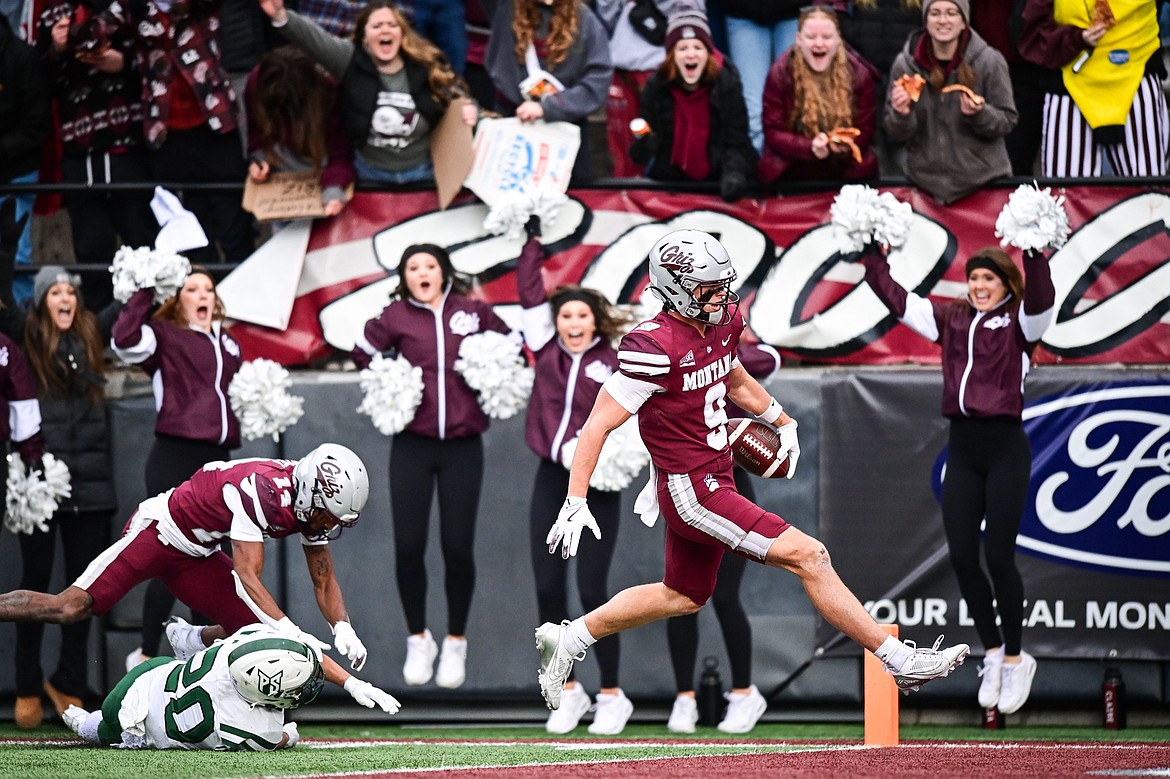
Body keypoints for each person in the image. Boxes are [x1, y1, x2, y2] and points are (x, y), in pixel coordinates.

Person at [533, 229, 971, 715]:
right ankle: (897, 658)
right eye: (707, 287)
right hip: (691, 489)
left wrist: (780, 418)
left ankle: (569, 638)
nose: (720, 295)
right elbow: (597, 426)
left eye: (723, 283)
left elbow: (733, 372)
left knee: (682, 595)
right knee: (810, 555)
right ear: (674, 288)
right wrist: (576, 500)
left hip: (716, 471)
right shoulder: (652, 346)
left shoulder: (720, 322)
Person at [0, 444, 400, 714]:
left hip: (197, 555)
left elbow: (323, 580)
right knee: (70, 607)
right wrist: (295, 632)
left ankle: (192, 640)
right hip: (159, 532)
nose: (328, 524)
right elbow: (246, 576)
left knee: (257, 633)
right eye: (328, 514)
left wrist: (342, 627)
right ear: (312, 491)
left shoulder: (307, 505)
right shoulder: (261, 489)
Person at [856, 239, 1053, 716]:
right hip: (962, 448)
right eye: (974, 278)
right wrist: (871, 255)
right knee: (964, 557)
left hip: (1006, 447)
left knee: (999, 556)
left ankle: (1014, 656)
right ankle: (990, 653)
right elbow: (897, 300)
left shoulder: (1023, 323)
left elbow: (1043, 297)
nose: (979, 286)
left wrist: (1035, 255)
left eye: (989, 279)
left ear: (1006, 284)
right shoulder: (951, 318)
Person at [352, 243, 518, 689]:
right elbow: (361, 351)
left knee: (457, 547)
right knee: (408, 546)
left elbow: (513, 343)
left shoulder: (472, 312)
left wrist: (490, 370)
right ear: (404, 276)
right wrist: (390, 379)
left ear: (444, 271)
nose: (422, 272)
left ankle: (456, 641)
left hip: (463, 446)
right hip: (412, 444)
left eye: (430, 265)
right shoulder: (394, 317)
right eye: (412, 267)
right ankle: (417, 637)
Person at [516, 219, 634, 734]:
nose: (572, 324)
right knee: (548, 587)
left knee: (592, 589)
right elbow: (526, 295)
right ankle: (569, 691)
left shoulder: (616, 361)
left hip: (595, 483)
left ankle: (612, 693)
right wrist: (530, 243)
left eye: (582, 315)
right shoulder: (545, 353)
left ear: (596, 321)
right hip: (549, 476)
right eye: (565, 315)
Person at [112, 270, 243, 670]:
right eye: (192, 289)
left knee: (217, 560)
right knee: (168, 553)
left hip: (219, 460)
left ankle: (211, 662)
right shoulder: (163, 335)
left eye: (208, 288)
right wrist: (146, 288)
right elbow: (124, 339)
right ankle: (146, 654)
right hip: (175, 455)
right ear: (177, 298)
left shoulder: (230, 342)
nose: (202, 294)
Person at [8, 268, 117, 728]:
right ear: (42, 302)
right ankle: (27, 684)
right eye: (55, 291)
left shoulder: (91, 336)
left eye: (71, 290)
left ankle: (68, 681)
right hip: (41, 484)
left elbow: (129, 310)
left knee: (84, 589)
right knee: (33, 582)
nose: (66, 297)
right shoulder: (28, 340)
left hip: (90, 486)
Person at [665, 342, 779, 735]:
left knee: (727, 594)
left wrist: (725, 349)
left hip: (730, 480)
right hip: (685, 482)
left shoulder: (725, 349)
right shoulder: (665, 353)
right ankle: (684, 697)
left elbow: (769, 359)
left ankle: (744, 692)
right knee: (679, 594)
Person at [260, 0, 477, 185]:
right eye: (377, 26)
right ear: (364, 37)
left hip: (423, 176)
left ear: (402, 34)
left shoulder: (426, 64)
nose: (385, 30)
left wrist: (471, 111)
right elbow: (314, 40)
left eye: (392, 25)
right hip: (370, 178)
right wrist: (281, 15)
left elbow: (463, 100)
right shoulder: (349, 60)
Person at [36, 2, 158, 310]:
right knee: (92, 252)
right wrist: (56, 48)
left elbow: (162, 60)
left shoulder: (135, 7)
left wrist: (125, 61)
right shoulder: (55, 13)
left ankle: (151, 334)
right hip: (80, 154)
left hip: (128, 149)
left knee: (143, 247)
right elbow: (37, 82)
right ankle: (100, 340)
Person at [126, 0, 257, 265]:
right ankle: (199, 297)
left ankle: (241, 302)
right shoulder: (136, 10)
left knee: (235, 230)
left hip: (215, 124)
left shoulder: (199, 8)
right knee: (191, 235)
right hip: (166, 130)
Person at [62, 624, 321, 750]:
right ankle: (89, 726)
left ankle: (189, 637)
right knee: (107, 725)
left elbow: (230, 632)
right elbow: (278, 740)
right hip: (147, 723)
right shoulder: (252, 729)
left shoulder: (239, 644)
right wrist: (290, 736)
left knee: (111, 711)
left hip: (159, 672)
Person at [883, 0, 1018, 204]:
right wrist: (901, 115)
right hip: (924, 188)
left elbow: (1007, 120)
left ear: (964, 21)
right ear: (925, 21)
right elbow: (895, 133)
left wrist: (980, 114)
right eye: (935, 13)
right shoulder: (905, 65)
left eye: (951, 13)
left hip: (982, 185)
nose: (943, 21)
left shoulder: (989, 61)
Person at [1019, 0, 1168, 178]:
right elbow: (1031, 31)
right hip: (1071, 81)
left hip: (1137, 72)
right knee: (1066, 191)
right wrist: (1075, 38)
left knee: (1146, 188)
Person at [629, 4, 757, 201]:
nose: (691, 54)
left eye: (698, 47)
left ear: (708, 53)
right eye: (682, 48)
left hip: (718, 180)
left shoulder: (727, 83)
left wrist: (734, 175)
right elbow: (640, 153)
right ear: (672, 55)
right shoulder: (657, 85)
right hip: (671, 179)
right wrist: (646, 142)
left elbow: (737, 140)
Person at [481, 0, 613, 181]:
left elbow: (598, 79)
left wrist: (550, 107)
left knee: (569, 201)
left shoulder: (584, 18)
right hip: (512, 123)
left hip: (564, 130)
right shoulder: (505, 8)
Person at [758, 5, 880, 184]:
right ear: (798, 39)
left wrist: (845, 145)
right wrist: (809, 147)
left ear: (838, 39)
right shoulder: (780, 73)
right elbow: (773, 132)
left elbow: (867, 129)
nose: (819, 43)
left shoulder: (860, 75)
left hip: (845, 171)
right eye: (811, 37)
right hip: (792, 171)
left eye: (827, 37)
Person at [721, 1, 848, 152]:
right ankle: (760, 168)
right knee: (753, 111)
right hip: (743, 14)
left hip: (793, 12)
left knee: (799, 105)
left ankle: (797, 165)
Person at [245, 46, 355, 219]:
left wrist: (334, 188)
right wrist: (259, 160)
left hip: (323, 167)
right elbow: (256, 135)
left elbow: (341, 152)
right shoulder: (255, 83)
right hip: (281, 175)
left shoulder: (328, 90)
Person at [0, 14, 51, 304]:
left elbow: (37, 125)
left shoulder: (22, 58)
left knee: (17, 257)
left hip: (17, 175)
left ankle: (18, 334)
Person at [595, 0, 676, 178]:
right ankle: (625, 197)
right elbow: (607, 17)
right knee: (621, 145)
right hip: (623, 67)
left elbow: (690, 12)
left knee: (664, 141)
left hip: (664, 67)